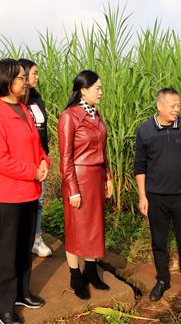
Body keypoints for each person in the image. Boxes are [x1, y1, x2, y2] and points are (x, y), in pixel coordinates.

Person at [0, 59, 50, 324]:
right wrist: (32, 171)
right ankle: (1, 304)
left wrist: (44, 161)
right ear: (6, 82)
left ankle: (21, 292)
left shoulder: (23, 108)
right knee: (5, 252)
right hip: (7, 195)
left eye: (24, 77)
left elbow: (37, 144)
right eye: (21, 78)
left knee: (23, 247)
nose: (25, 82)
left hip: (30, 192)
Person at [134, 87, 181, 304]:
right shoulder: (145, 130)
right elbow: (140, 165)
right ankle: (163, 280)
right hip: (156, 197)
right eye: (172, 106)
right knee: (159, 241)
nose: (177, 110)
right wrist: (142, 196)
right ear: (160, 106)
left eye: (178, 105)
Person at [58, 70, 113, 300]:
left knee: (94, 226)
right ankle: (74, 275)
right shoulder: (70, 116)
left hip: (96, 177)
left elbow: (103, 149)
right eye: (97, 88)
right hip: (78, 178)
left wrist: (108, 177)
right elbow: (65, 157)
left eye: (101, 88)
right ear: (83, 90)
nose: (101, 92)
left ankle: (90, 270)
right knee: (76, 228)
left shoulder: (96, 115)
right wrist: (72, 189)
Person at [18, 58, 52, 257]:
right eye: (34, 73)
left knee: (39, 201)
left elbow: (43, 131)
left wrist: (44, 157)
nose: (36, 77)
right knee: (23, 203)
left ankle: (36, 238)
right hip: (24, 160)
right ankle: (22, 239)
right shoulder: (17, 102)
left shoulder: (37, 99)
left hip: (40, 158)